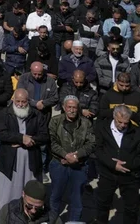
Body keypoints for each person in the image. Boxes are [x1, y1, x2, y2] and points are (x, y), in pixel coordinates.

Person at [94, 105, 140, 224]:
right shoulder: (102, 128)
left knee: (132, 208)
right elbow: (98, 150)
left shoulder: (138, 132)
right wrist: (112, 164)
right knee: (103, 204)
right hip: (107, 174)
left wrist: (128, 165)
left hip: (129, 176)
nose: (123, 125)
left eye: (126, 123)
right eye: (120, 122)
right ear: (114, 117)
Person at [0, 89, 49, 208]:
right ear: (13, 100)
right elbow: (1, 133)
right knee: (8, 192)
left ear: (28, 101)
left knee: (30, 189)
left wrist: (29, 141)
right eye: (18, 101)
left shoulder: (36, 114)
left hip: (31, 160)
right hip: (10, 161)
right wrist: (21, 138)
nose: (20, 104)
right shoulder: (4, 113)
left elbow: (44, 136)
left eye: (23, 102)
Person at [47, 95, 95, 223]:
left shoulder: (86, 123)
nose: (72, 110)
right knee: (55, 195)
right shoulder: (55, 121)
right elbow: (52, 142)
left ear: (78, 108)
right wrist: (65, 155)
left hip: (79, 166)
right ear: (63, 107)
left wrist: (77, 155)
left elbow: (91, 144)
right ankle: (52, 221)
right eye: (69, 107)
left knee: (77, 199)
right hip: (59, 164)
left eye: (74, 107)